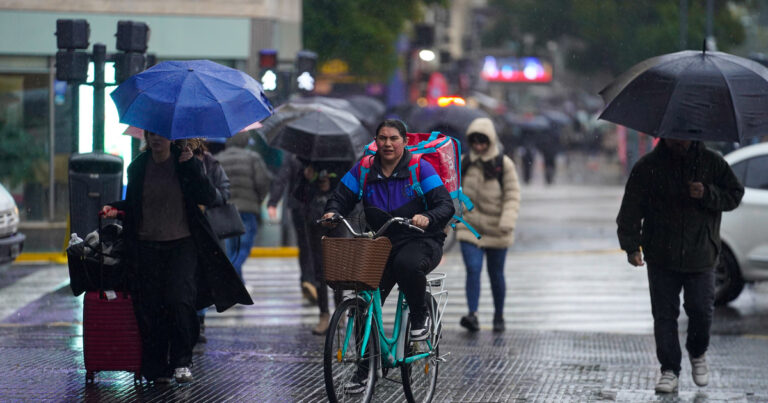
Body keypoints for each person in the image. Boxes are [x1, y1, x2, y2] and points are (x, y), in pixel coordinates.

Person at [102, 131, 252, 384]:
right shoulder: (138, 166)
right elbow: (135, 203)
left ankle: (182, 360)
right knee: (150, 307)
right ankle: (157, 366)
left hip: (182, 244)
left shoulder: (185, 161)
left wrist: (192, 165)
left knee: (180, 300)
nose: (157, 139)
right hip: (146, 245)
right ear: (147, 137)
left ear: (172, 137)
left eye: (162, 134)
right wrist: (115, 208)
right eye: (152, 134)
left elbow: (207, 196)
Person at [321, 119, 455, 394]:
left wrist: (427, 217)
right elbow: (341, 196)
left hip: (421, 240)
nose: (388, 144)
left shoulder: (420, 167)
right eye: (382, 138)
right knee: (364, 302)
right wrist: (332, 212)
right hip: (381, 242)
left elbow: (445, 205)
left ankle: (419, 318)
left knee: (406, 265)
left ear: (404, 141)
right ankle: (365, 368)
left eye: (394, 138)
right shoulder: (365, 168)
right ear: (376, 141)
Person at [616, 138, 744, 394]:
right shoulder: (648, 166)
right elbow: (630, 208)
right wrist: (631, 246)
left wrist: (707, 193)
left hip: (701, 254)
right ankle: (669, 369)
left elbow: (734, 195)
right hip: (661, 254)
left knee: (701, 310)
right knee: (664, 315)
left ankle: (697, 353)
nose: (679, 139)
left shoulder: (712, 162)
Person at [457, 117, 521, 332]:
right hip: (470, 228)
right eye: (474, 142)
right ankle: (472, 314)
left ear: (491, 141)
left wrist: (507, 221)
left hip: (497, 229)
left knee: (496, 275)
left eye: (482, 142)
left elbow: (513, 195)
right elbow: (453, 193)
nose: (478, 146)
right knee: (473, 269)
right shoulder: (464, 162)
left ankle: (498, 315)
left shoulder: (503, 164)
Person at [215, 132, 272, 282]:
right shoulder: (253, 158)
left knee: (231, 248)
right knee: (244, 246)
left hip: (226, 210)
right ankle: (232, 272)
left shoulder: (219, 159)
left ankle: (236, 284)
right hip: (247, 209)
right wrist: (258, 200)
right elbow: (263, 182)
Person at [192, 140, 231, 344]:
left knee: (203, 275)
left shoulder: (213, 165)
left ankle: (199, 320)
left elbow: (224, 193)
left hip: (208, 230)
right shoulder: (178, 162)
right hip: (185, 229)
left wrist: (207, 198)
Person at [267, 153, 318, 304]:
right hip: (306, 206)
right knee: (311, 245)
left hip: (309, 206)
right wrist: (273, 202)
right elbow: (282, 178)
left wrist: (273, 202)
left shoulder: (293, 155)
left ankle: (308, 281)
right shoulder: (296, 156)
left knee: (307, 245)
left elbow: (281, 178)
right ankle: (311, 282)